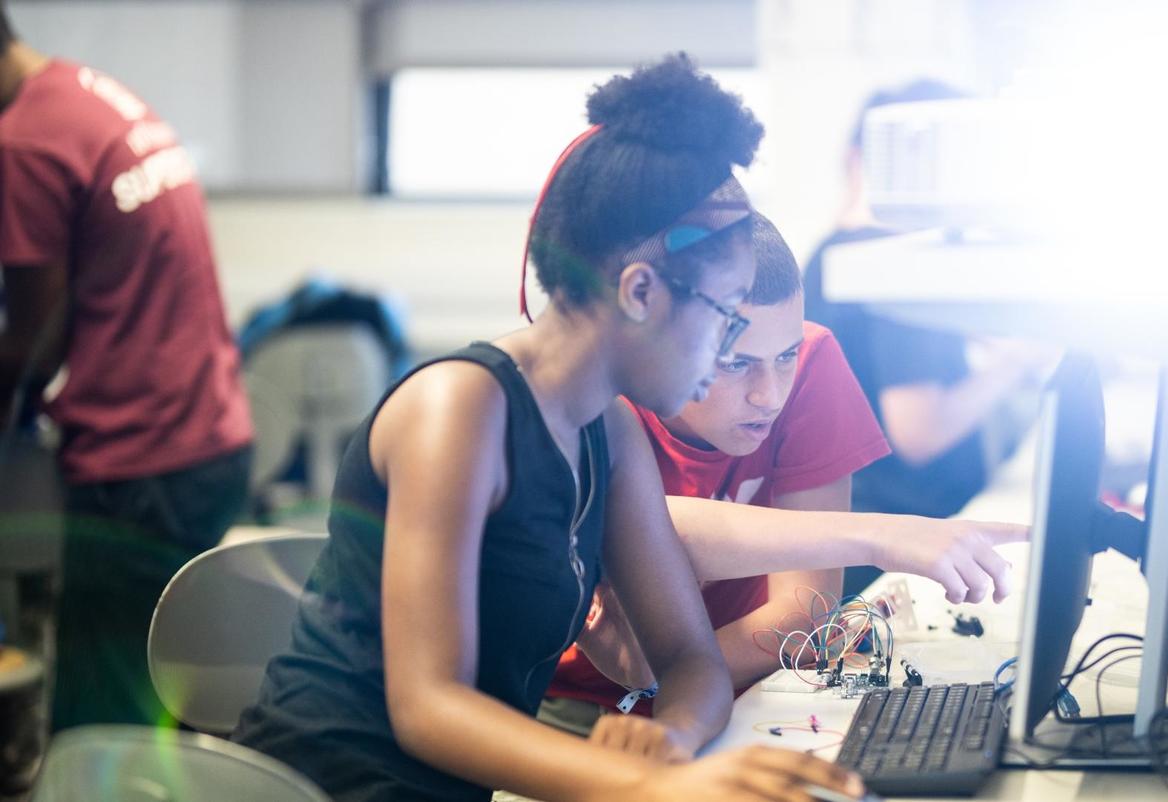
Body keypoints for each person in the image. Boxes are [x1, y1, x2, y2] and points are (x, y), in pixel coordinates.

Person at [232, 55, 867, 802]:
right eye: (726, 318)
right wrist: (644, 786)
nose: (729, 351)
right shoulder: (459, 413)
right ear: (640, 291)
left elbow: (690, 660)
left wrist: (671, 740)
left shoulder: (611, 434)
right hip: (320, 786)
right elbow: (426, 708)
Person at [542, 212, 1028, 731]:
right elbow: (648, 529)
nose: (768, 395)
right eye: (733, 363)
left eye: (785, 355)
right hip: (584, 709)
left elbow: (804, 612)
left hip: (731, 694)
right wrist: (884, 533)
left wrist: (675, 679)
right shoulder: (594, 404)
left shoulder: (815, 360)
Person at [0, 4, 254, 729]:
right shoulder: (81, 95)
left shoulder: (22, 142)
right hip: (208, 441)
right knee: (160, 688)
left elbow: (33, 343)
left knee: (102, 718)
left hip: (138, 468)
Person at [803, 79, 1047, 594]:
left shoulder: (834, 256)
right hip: (898, 549)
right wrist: (1019, 361)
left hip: (875, 536)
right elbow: (920, 431)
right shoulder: (889, 267)